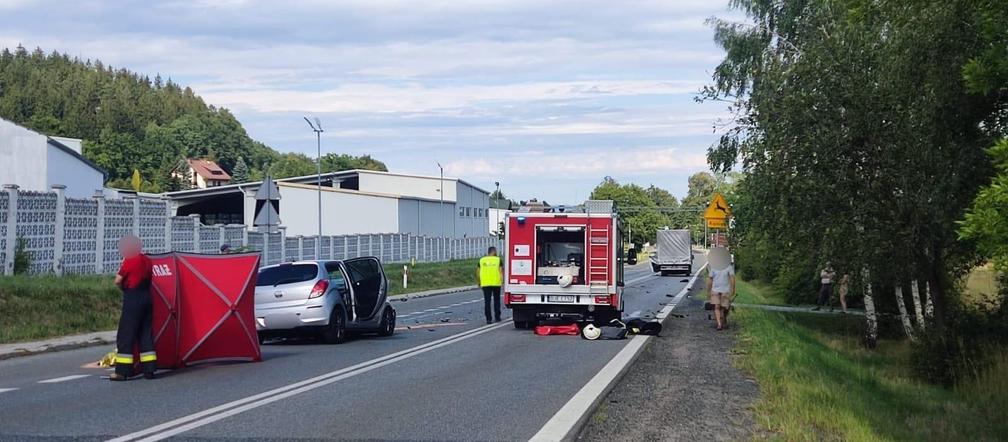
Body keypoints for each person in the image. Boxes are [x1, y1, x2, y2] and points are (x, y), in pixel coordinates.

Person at [110, 235, 157, 381]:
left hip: (133, 297)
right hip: (147, 298)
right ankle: (149, 370)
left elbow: (117, 281)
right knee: (145, 334)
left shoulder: (130, 260)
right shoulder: (148, 261)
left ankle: (122, 372)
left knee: (126, 335)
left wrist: (123, 288)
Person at [477, 246, 503, 324]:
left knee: (487, 301)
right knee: (496, 300)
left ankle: (488, 319)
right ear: (494, 251)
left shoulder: (481, 260)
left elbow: (478, 272)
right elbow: (501, 271)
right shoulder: (498, 260)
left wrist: (479, 282)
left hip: (485, 283)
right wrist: (502, 281)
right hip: (496, 283)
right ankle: (497, 317)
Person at [706, 261, 736, 331]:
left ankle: (722, 320)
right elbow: (710, 279)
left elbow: (732, 278)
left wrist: (733, 289)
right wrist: (709, 290)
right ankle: (720, 323)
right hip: (719, 290)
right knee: (719, 307)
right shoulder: (726, 267)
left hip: (721, 290)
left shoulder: (724, 267)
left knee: (722, 307)